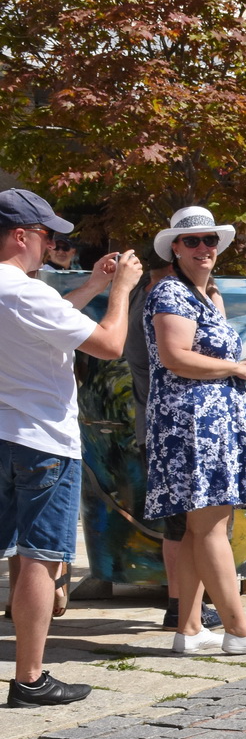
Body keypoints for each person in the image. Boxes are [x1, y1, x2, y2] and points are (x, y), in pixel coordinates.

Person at [1, 190, 142, 706]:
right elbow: (108, 344)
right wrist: (121, 290)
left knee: (15, 552)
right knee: (41, 558)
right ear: (21, 236)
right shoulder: (23, 291)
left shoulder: (16, 293)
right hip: (41, 439)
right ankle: (30, 677)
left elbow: (47, 318)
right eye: (46, 236)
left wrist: (92, 284)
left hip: (5, 434)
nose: (51, 245)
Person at [143, 206, 246, 658]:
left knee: (196, 529)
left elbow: (207, 357)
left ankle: (189, 629)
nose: (203, 248)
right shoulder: (171, 292)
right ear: (174, 248)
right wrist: (235, 367)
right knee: (211, 527)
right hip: (192, 423)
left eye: (209, 240)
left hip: (208, 418)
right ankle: (239, 630)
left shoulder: (206, 294)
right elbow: (174, 356)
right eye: (192, 241)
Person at [123, 260, 223, 635]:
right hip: (175, 429)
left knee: (184, 526)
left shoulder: (152, 299)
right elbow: (176, 360)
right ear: (170, 262)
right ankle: (193, 613)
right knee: (189, 527)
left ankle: (186, 613)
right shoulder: (162, 300)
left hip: (168, 427)